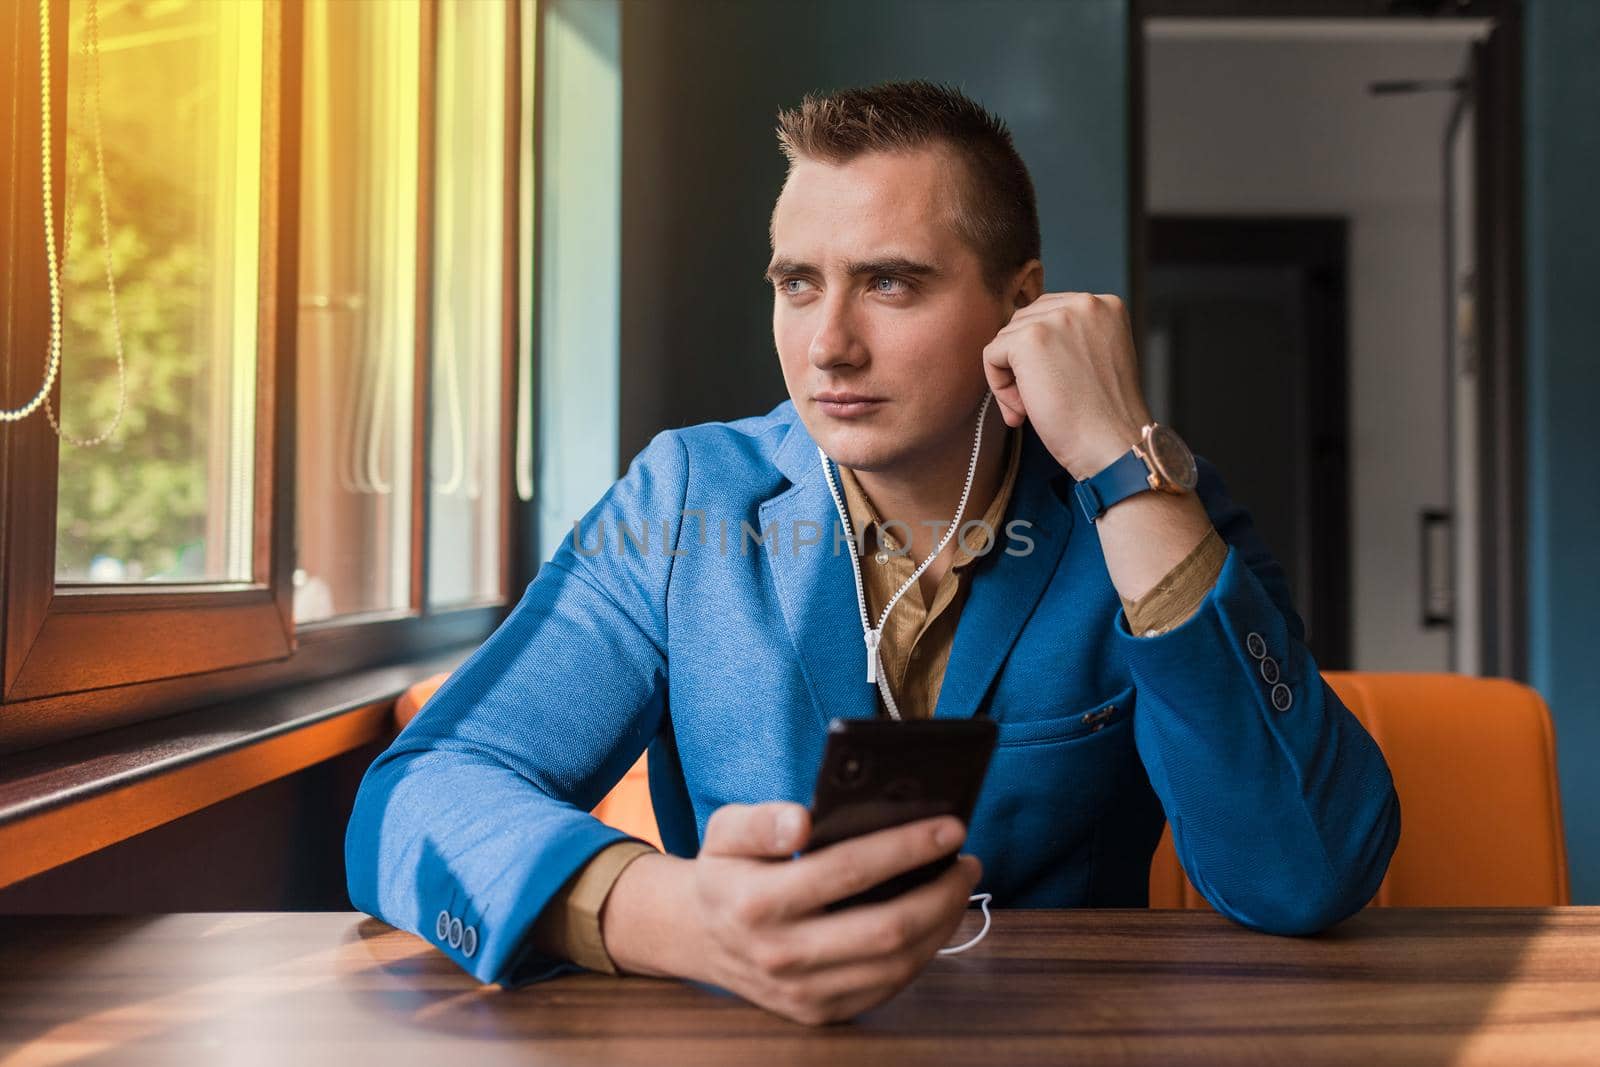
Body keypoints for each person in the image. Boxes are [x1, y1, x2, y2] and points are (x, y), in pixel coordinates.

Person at [345, 80, 1399, 1027]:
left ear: (1019, 303)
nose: (826, 345)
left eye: (890, 283)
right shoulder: (685, 500)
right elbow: (416, 797)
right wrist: (670, 914)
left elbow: (1303, 872)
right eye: (798, 283)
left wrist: (1124, 473)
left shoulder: (1150, 504)